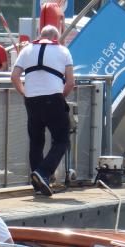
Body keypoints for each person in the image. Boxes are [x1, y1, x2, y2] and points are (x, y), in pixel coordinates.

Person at [11, 24, 74, 197]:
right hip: (53, 99)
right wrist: (62, 97)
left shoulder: (27, 50)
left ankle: (38, 184)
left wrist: (24, 93)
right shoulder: (63, 51)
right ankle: (44, 173)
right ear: (56, 38)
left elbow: (14, 77)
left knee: (36, 141)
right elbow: (70, 82)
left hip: (31, 100)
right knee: (62, 140)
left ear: (40, 35)